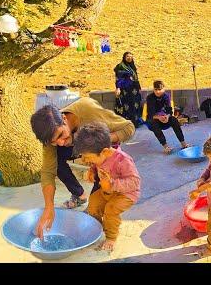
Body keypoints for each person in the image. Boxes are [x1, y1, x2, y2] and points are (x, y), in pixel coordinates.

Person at [30, 98, 135, 238]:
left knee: (97, 205)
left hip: (99, 143)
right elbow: (48, 171)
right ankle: (79, 195)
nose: (60, 143)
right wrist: (49, 207)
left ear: (64, 118)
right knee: (56, 163)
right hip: (77, 142)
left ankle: (98, 201)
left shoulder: (88, 110)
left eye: (61, 135)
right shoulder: (51, 134)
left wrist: (99, 141)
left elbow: (129, 128)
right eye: (54, 142)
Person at [74, 122, 141, 252]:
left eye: (87, 157)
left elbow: (135, 182)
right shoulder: (100, 156)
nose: (83, 160)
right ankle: (96, 228)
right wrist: (93, 171)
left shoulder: (123, 160)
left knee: (110, 210)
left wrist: (112, 184)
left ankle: (111, 237)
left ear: (104, 151)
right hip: (107, 190)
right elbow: (96, 164)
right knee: (93, 202)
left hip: (126, 194)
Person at [145, 80, 191, 154]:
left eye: (159, 89)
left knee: (174, 120)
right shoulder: (150, 98)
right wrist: (159, 117)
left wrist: (167, 116)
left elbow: (169, 110)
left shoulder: (166, 96)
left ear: (164, 89)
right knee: (154, 124)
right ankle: (166, 146)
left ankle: (183, 143)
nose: (157, 92)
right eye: (155, 89)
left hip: (164, 118)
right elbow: (150, 114)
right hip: (154, 119)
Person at [114, 51, 143, 128]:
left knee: (135, 105)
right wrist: (118, 88)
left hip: (134, 90)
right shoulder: (120, 66)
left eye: (131, 56)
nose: (129, 58)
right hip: (126, 90)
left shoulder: (132, 66)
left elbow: (136, 77)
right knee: (127, 105)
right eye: (127, 56)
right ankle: (128, 123)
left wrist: (139, 87)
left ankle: (135, 122)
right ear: (124, 57)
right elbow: (118, 79)